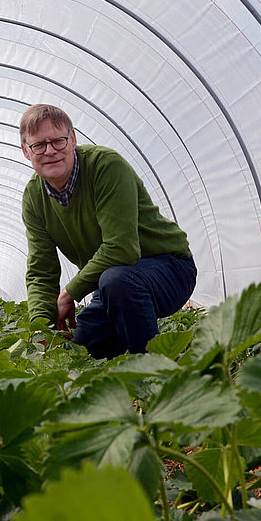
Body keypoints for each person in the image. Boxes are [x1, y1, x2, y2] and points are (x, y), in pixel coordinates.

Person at [20, 103, 197, 359]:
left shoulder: (105, 166)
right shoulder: (34, 197)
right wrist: (41, 329)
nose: (50, 151)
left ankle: (157, 371)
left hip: (169, 268)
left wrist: (69, 293)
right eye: (39, 145)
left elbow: (122, 248)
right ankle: (138, 356)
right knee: (77, 355)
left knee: (117, 280)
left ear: (73, 140)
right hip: (112, 286)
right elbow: (41, 270)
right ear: (26, 151)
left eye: (58, 141)